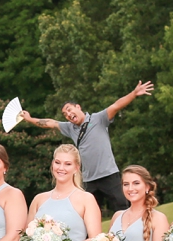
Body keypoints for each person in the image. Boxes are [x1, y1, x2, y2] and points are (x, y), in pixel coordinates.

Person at [20, 81, 154, 214]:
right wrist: (29, 119)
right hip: (89, 180)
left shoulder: (98, 119)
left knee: (122, 208)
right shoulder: (69, 128)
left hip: (108, 174)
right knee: (88, 214)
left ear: (78, 107)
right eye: (65, 114)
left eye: (69, 109)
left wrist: (134, 93)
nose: (68, 115)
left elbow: (116, 105)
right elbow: (50, 123)